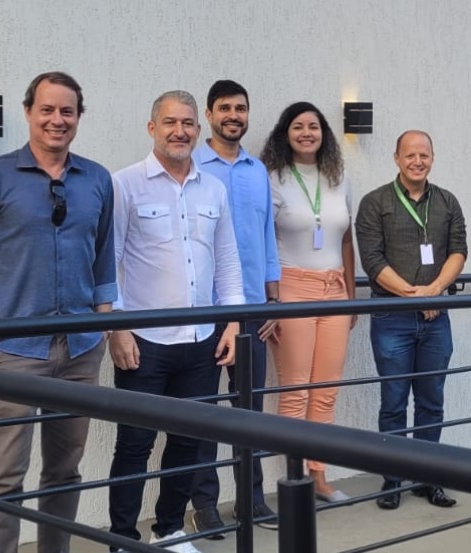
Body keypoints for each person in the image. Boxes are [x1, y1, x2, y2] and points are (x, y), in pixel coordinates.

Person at [0, 71, 116, 553]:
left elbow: (104, 260)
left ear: (79, 117)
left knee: (65, 472)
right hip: (16, 350)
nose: (56, 120)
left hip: (81, 350)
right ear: (28, 112)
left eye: (67, 111)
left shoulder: (97, 179)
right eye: (47, 109)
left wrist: (102, 330)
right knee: (3, 476)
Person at [107, 90, 244, 553]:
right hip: (143, 341)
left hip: (202, 340)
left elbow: (228, 260)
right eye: (170, 122)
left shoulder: (214, 189)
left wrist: (232, 323)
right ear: (152, 128)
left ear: (198, 130)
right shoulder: (125, 184)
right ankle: (122, 539)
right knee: (134, 444)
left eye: (187, 123)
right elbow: (108, 263)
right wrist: (117, 327)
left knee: (188, 442)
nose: (179, 131)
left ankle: (170, 531)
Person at [355, 130, 466, 510]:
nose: (417, 161)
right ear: (396, 158)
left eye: (424, 155)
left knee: (432, 401)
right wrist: (415, 295)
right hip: (392, 317)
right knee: (394, 401)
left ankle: (428, 479)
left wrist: (434, 290)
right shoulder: (375, 202)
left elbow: (458, 250)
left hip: (436, 319)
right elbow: (372, 260)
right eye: (410, 155)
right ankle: (392, 480)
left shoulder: (447, 202)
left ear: (432, 158)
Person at [190, 80, 281, 536]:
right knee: (204, 412)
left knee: (250, 411)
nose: (233, 115)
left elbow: (267, 237)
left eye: (240, 108)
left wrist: (273, 299)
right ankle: (204, 504)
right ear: (209, 115)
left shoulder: (257, 170)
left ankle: (252, 499)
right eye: (224, 108)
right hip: (202, 312)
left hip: (252, 311)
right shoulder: (192, 166)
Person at [258, 101, 357, 503]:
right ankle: (294, 480)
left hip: (335, 291)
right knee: (296, 389)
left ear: (323, 134)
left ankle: (319, 476)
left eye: (313, 126)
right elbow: (264, 238)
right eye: (297, 126)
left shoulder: (339, 177)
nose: (306, 133)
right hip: (292, 288)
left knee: (326, 389)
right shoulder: (273, 178)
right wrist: (271, 298)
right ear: (285, 133)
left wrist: (351, 296)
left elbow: (346, 239)